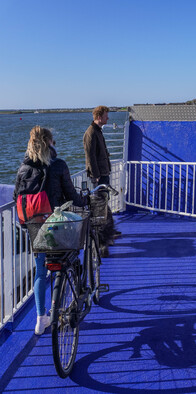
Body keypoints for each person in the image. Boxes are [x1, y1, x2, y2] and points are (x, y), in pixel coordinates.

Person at [14, 126, 87, 335]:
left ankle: (40, 319)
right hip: (57, 227)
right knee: (68, 258)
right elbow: (71, 195)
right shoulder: (58, 165)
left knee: (40, 271)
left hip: (35, 228)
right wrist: (84, 201)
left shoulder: (22, 169)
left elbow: (16, 199)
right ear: (50, 142)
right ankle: (67, 301)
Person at [83, 106, 119, 257]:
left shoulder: (97, 131)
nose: (108, 118)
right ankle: (105, 237)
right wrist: (96, 176)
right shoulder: (91, 133)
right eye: (106, 116)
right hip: (98, 177)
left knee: (104, 205)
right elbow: (90, 156)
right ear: (99, 116)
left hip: (103, 173)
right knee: (100, 208)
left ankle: (109, 233)